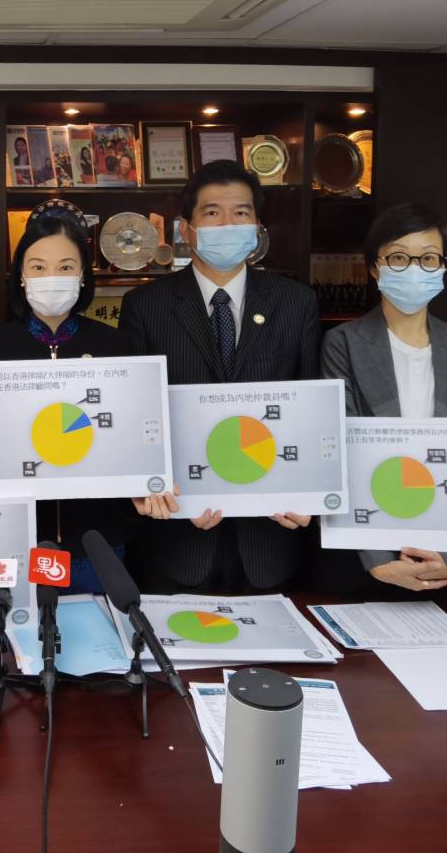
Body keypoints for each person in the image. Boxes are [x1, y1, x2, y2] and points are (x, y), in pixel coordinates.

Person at [119, 160, 321, 594]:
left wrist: (308, 493)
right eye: (212, 212)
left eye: (241, 212)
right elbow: (135, 416)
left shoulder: (296, 303)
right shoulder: (145, 306)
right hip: (177, 536)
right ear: (187, 229)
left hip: (271, 535)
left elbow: (311, 410)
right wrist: (148, 485)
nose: (228, 223)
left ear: (258, 228)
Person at [320, 204, 447, 593]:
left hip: (442, 550)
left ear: (443, 267)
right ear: (374, 267)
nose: (414, 269)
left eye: (428, 258)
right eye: (399, 257)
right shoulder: (342, 343)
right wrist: (379, 560)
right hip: (366, 549)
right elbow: (341, 451)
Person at [0, 200, 138, 590]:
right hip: (21, 534)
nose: (52, 277)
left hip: (99, 535)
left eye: (65, 267)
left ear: (82, 277)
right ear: (21, 276)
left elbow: (129, 436)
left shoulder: (114, 345)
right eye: (38, 267)